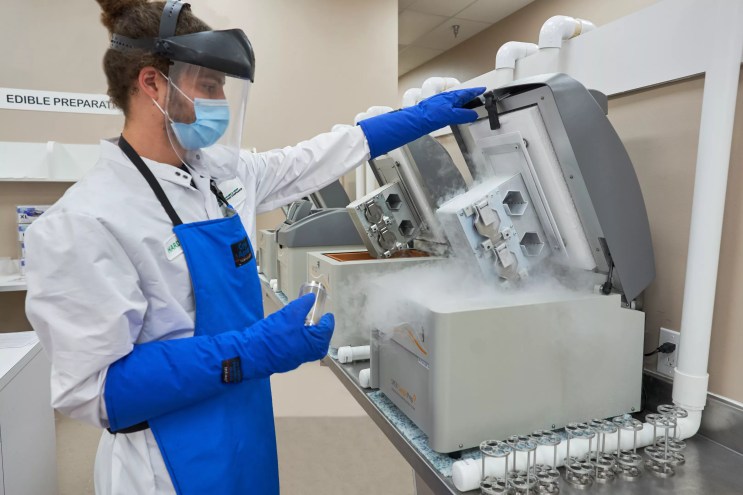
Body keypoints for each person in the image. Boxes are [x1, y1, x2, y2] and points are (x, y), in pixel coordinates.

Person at [24, 1, 485, 494]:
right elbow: (96, 390)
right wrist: (249, 351)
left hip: (243, 423)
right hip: (165, 462)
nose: (220, 101)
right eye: (208, 85)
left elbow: (316, 157)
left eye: (224, 88)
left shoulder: (220, 175)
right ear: (153, 84)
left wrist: (418, 119)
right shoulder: (86, 221)